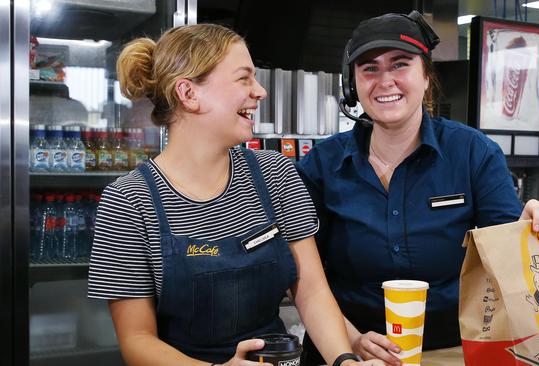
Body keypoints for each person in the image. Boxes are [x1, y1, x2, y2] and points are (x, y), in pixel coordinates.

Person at [87, 24, 380, 366]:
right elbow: (136, 340)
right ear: (189, 94)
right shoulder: (128, 201)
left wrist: (343, 360)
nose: (260, 92)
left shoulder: (275, 174)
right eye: (244, 78)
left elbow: (311, 291)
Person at [296, 11, 539, 365]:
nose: (385, 81)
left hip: (451, 349)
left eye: (400, 64)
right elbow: (302, 274)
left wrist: (532, 225)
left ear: (426, 76)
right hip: (345, 348)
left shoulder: (472, 153)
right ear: (353, 86)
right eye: (369, 68)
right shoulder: (322, 164)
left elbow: (507, 257)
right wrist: (352, 340)